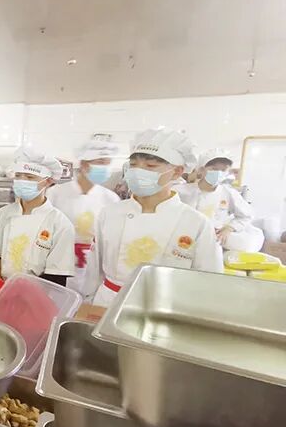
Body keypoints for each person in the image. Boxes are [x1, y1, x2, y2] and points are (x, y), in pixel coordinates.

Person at [83, 129, 223, 307]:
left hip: (163, 307)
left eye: (150, 166)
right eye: (133, 165)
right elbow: (93, 269)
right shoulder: (110, 213)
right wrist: (87, 302)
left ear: (176, 172)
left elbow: (208, 282)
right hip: (107, 303)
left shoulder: (196, 223)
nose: (137, 172)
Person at [0, 148, 75, 285]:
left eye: (30, 177)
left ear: (48, 181)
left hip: (38, 292)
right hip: (2, 289)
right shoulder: (2, 215)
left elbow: (56, 276)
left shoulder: (60, 224)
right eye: (18, 176)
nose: (22, 181)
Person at [47, 139, 120, 292]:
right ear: (84, 164)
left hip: (93, 265)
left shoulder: (110, 199)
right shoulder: (56, 193)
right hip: (59, 264)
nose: (105, 168)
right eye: (100, 162)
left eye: (107, 163)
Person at [175, 149, 264, 252]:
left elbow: (247, 215)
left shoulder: (228, 193)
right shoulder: (182, 191)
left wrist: (229, 228)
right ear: (201, 170)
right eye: (214, 169)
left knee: (247, 244)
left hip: (215, 236)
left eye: (223, 170)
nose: (218, 173)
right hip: (186, 235)